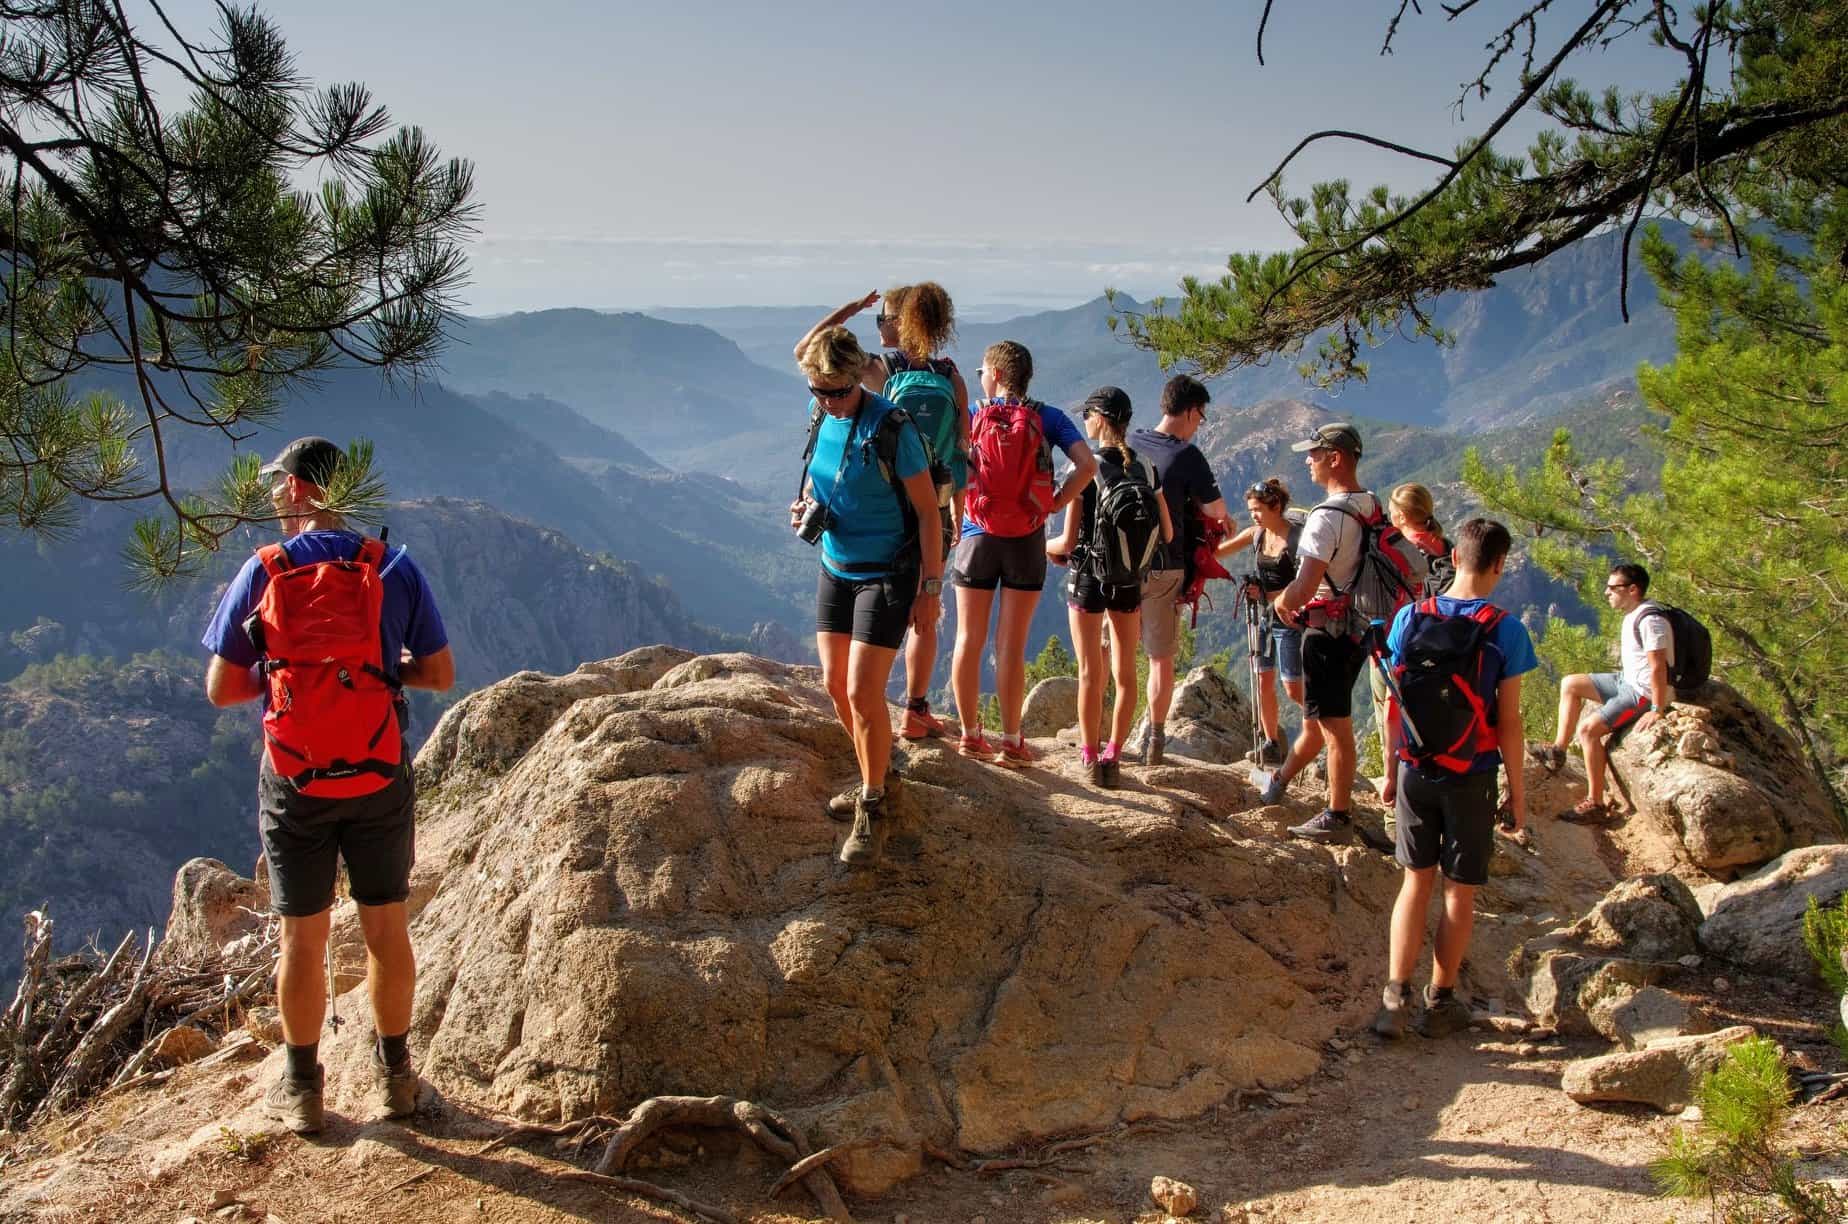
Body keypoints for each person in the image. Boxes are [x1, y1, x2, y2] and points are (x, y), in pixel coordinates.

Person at [201, 436, 455, 1135]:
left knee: (301, 941)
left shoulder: (263, 570)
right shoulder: (393, 566)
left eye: (279, 485)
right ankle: (396, 1080)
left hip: (296, 782)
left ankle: (303, 1090)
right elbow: (439, 674)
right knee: (384, 928)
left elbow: (222, 690)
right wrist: (380, 673)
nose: (274, 496)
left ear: (302, 490)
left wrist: (282, 679)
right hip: (377, 774)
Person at [1372, 518, 1535, 1039]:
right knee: (1457, 895)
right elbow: (1509, 723)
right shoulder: (1505, 629)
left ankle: (1393, 1000)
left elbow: (1395, 708)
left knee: (1412, 884)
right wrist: (1518, 794)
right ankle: (1439, 1002)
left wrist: (1390, 771)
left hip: (1417, 770)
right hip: (1472, 774)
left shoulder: (1410, 617)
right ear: (1498, 565)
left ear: (1455, 558)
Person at [790, 326, 943, 866]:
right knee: (835, 685)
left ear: (858, 378)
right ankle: (877, 774)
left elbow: (928, 513)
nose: (829, 401)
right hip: (836, 565)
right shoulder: (822, 418)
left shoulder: (891, 428)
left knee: (861, 692)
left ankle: (873, 804)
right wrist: (805, 505)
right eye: (818, 390)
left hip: (887, 573)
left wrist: (930, 590)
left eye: (838, 391)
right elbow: (821, 480)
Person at [795, 287, 969, 741]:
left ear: (902, 322)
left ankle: (876, 717)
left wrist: (849, 310)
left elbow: (805, 351)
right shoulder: (951, 375)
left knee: (874, 623)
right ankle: (915, 708)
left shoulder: (879, 370)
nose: (878, 327)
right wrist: (956, 511)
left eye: (882, 319)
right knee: (925, 613)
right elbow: (960, 450)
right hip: (937, 509)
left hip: (888, 523)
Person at [949, 340, 1097, 766]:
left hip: (977, 535)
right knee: (1010, 646)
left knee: (967, 639)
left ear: (994, 373)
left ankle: (970, 735)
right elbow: (1087, 465)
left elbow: (950, 463)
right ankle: (1012, 742)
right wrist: (1054, 502)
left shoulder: (973, 413)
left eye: (981, 372)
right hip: (1027, 539)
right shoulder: (1047, 417)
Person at [1046, 387, 1173, 786]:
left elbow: (1066, 543)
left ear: (1099, 419)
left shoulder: (1086, 467)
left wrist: (1043, 547)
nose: (1084, 421)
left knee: (1089, 672)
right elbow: (1166, 532)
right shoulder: (1147, 469)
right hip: (1129, 580)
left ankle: (1088, 755)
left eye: (1087, 414)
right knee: (1125, 674)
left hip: (1087, 576)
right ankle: (1113, 755)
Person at [1259, 422, 1376, 843]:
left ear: (1336, 458)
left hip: (1326, 632)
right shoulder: (1369, 504)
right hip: (1358, 627)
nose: (1307, 460)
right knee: (1329, 722)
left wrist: (1280, 603)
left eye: (1314, 453)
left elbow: (1305, 586)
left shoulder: (1327, 517)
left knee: (1334, 728)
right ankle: (1288, 785)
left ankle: (1337, 815)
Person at [1127, 375, 1231, 765]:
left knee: (1113, 651)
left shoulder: (1132, 442)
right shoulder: (1187, 456)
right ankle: (1154, 739)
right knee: (1160, 658)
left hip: (1119, 566)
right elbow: (1215, 511)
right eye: (1200, 417)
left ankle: (1104, 735)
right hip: (1163, 568)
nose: (1199, 425)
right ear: (1189, 412)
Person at [1530, 561, 1673, 821]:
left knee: (1587, 731)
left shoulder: (1651, 620)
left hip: (1641, 692)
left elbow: (1658, 667)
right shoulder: (1634, 613)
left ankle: (1595, 802)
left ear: (1632, 590)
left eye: (1612, 587)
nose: (1606, 592)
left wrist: (1657, 708)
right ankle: (1558, 750)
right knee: (1570, 684)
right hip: (1625, 680)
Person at [1217, 477, 1305, 768]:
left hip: (1291, 619)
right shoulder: (1256, 534)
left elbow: (1305, 585)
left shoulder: (1295, 540)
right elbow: (1220, 553)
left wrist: (1266, 592)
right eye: (1251, 509)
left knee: (1292, 688)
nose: (1254, 515)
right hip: (1264, 618)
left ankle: (1322, 727)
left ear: (1276, 506)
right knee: (1262, 680)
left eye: (1258, 509)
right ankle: (1271, 743)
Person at [1372, 483, 1450, 811]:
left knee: (1389, 720)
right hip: (1444, 653)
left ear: (1401, 515)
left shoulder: (1401, 551)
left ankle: (1397, 807)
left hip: (1397, 645)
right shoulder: (1447, 547)